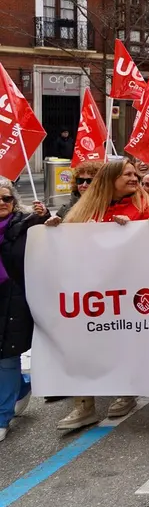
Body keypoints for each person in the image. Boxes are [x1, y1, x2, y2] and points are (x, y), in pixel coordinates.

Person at [47, 161, 149, 430]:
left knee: (121, 338)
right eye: (128, 175)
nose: (135, 178)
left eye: (136, 174)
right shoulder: (86, 206)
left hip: (128, 288)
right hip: (91, 288)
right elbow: (68, 243)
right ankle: (84, 405)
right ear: (111, 179)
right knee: (83, 342)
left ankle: (126, 391)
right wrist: (54, 229)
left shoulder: (143, 205)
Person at [0, 180, 50, 443]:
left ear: (14, 201)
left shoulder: (26, 223)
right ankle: (22, 387)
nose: (2, 203)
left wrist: (45, 216)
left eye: (6, 198)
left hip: (15, 298)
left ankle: (1, 417)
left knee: (7, 357)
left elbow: (50, 235)